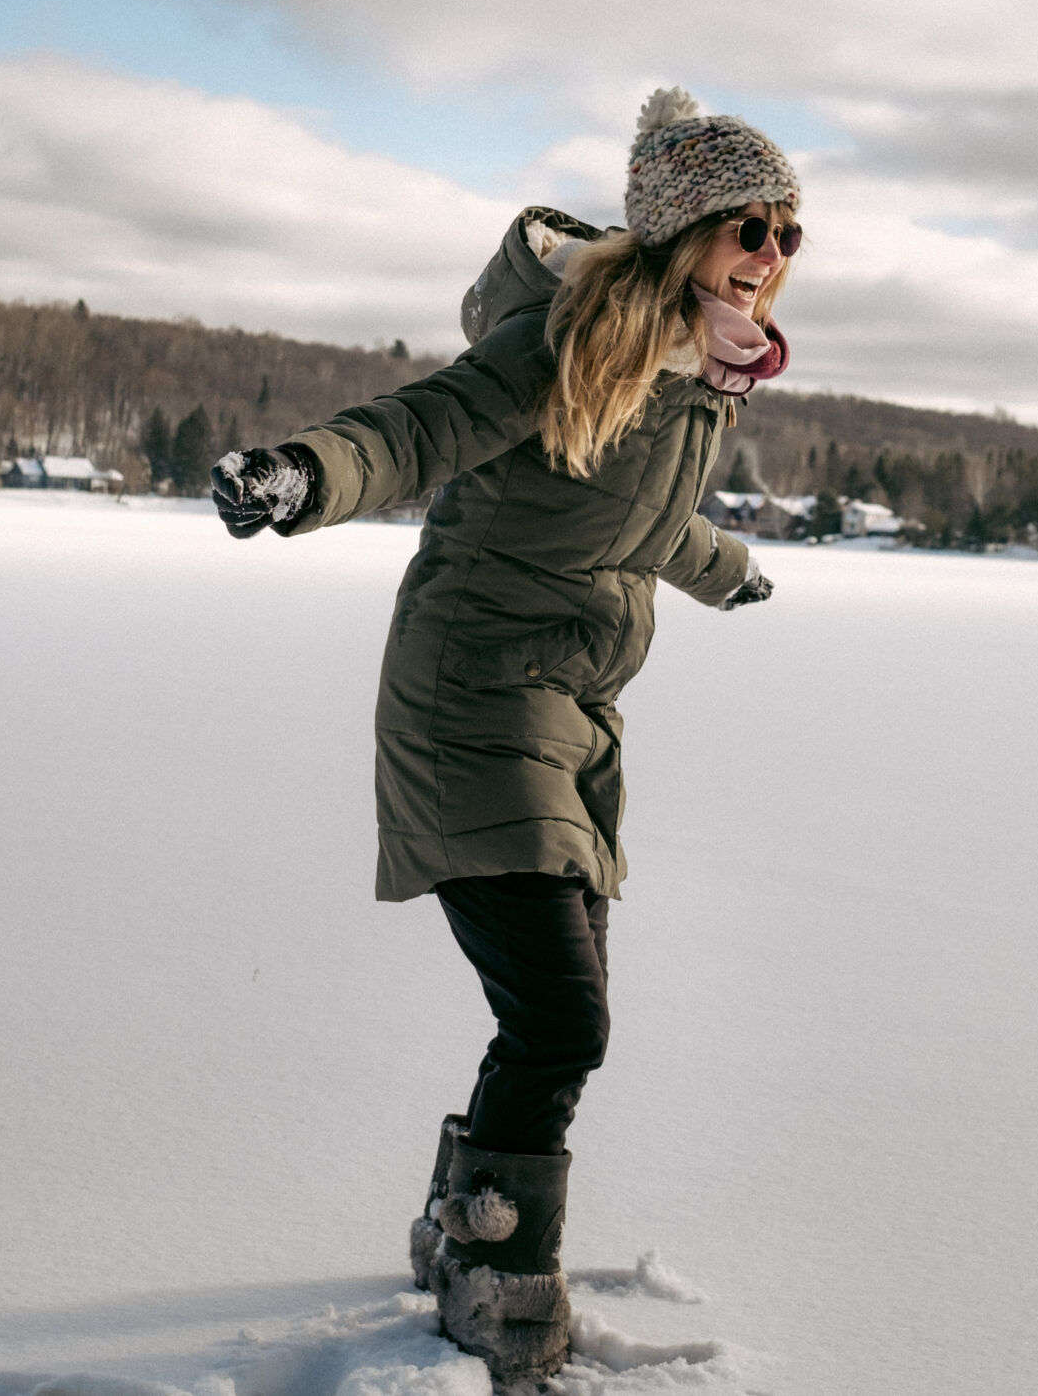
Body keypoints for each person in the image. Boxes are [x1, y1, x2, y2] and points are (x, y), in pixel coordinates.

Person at [209, 86, 799, 1383]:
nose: (770, 255)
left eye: (787, 234)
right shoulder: (559, 344)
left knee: (560, 1004)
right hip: (474, 692)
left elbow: (638, 525)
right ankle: (493, 1263)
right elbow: (418, 428)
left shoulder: (698, 378)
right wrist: (308, 473)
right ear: (676, 235)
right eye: (747, 227)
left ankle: (458, 1216)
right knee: (562, 1016)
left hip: (574, 717)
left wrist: (727, 568)